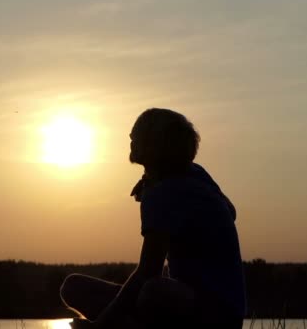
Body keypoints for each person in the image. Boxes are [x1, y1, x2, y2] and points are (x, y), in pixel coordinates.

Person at [60, 108, 246, 328]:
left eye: (138, 136)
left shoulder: (164, 192)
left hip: (213, 315)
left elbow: (149, 270)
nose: (131, 140)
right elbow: (231, 211)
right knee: (74, 287)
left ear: (157, 145)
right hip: (198, 306)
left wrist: (101, 325)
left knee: (153, 291)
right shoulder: (195, 173)